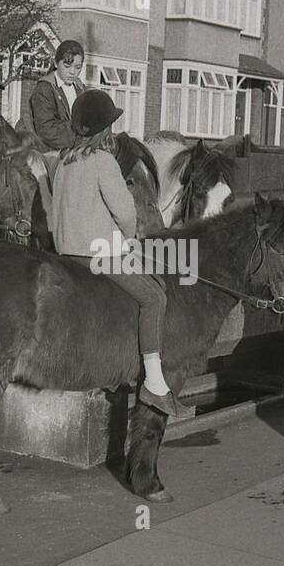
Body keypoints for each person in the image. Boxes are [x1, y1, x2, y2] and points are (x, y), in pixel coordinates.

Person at [51, 89, 186, 418]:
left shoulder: (63, 161)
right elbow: (125, 212)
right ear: (105, 129)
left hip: (66, 252)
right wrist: (127, 239)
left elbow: (54, 214)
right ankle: (154, 384)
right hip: (100, 254)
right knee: (155, 297)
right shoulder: (103, 161)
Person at [27, 40, 86, 152]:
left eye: (78, 67)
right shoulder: (44, 89)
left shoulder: (80, 88)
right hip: (51, 154)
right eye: (67, 66)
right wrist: (81, 139)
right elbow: (47, 131)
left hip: (76, 150)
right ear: (55, 63)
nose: (72, 72)